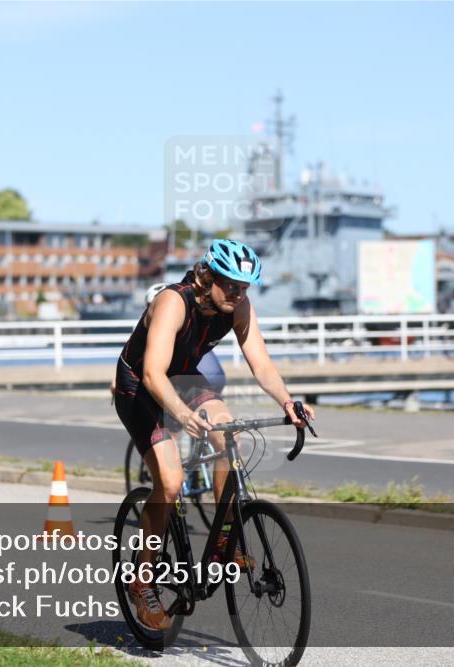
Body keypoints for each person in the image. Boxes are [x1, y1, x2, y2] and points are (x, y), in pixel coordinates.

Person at [113, 238, 314, 631]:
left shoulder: (237, 306)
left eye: (245, 287)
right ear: (209, 276)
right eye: (232, 285)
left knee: (229, 435)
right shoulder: (174, 302)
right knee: (169, 484)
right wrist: (183, 414)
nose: (238, 294)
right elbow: (154, 373)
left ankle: (226, 540)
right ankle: (142, 579)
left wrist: (288, 403)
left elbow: (261, 360)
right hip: (139, 384)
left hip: (184, 378)